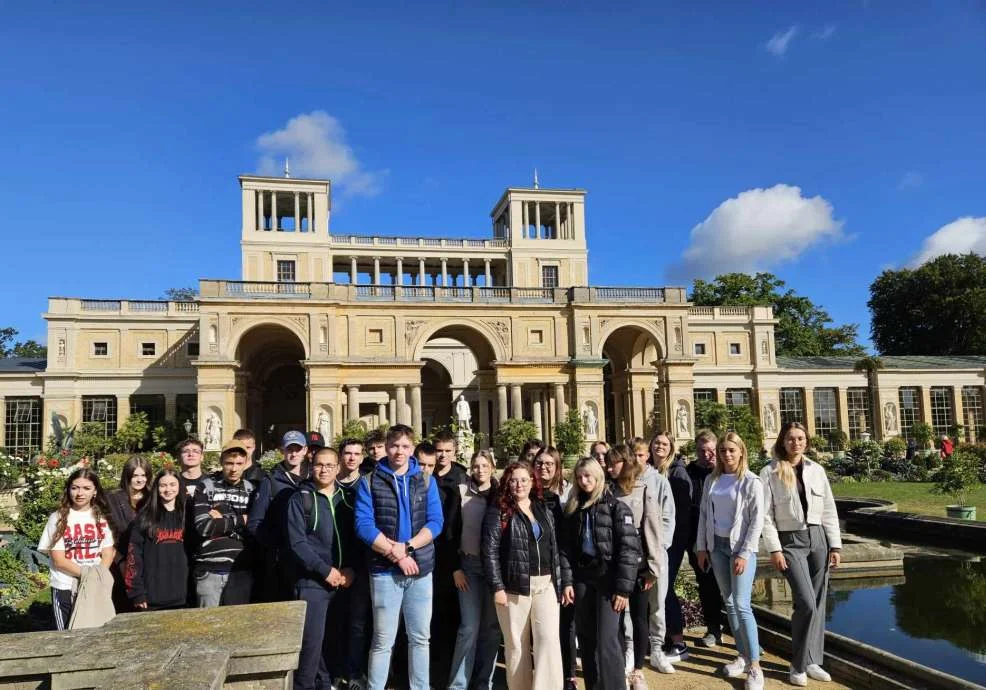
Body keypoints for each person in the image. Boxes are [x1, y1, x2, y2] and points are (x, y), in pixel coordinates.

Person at [354, 424, 444, 690]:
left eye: (405, 446)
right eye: (394, 446)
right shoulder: (369, 480)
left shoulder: (426, 480)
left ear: (413, 448)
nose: (399, 451)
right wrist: (395, 552)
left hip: (420, 569)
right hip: (384, 571)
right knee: (383, 640)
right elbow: (363, 524)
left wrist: (408, 547)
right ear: (386, 447)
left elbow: (436, 521)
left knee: (420, 638)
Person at [761, 422, 841, 687]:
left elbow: (828, 508)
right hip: (790, 541)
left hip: (818, 538)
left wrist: (836, 545)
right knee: (805, 602)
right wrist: (774, 548)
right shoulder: (770, 472)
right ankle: (797, 664)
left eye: (800, 438)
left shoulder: (816, 470)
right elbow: (765, 516)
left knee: (818, 602)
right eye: (791, 439)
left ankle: (812, 660)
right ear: (782, 442)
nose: (796, 443)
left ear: (806, 441)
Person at [482, 462, 571, 690]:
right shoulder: (499, 510)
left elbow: (555, 546)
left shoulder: (543, 507)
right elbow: (489, 550)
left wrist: (564, 580)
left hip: (546, 584)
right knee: (516, 646)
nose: (519, 484)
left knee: (548, 641)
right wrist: (497, 587)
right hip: (514, 586)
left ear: (533, 482)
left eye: (524, 479)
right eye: (513, 480)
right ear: (506, 483)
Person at [563, 457, 642, 690]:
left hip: (608, 580)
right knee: (587, 640)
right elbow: (566, 549)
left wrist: (623, 589)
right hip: (583, 577)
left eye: (587, 476)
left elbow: (629, 550)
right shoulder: (574, 509)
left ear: (598, 476)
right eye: (579, 477)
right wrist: (568, 580)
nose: (583, 480)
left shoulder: (616, 507)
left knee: (608, 640)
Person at [696, 432, 766, 690]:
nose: (726, 454)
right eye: (723, 450)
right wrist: (701, 547)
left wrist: (745, 553)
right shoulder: (712, 480)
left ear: (741, 452)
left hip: (739, 549)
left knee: (742, 604)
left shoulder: (751, 481)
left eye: (731, 450)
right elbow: (704, 514)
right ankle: (743, 656)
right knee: (729, 602)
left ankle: (756, 666)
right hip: (717, 547)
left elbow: (757, 520)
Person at [286, 446, 360, 690]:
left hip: (343, 580)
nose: (324, 470)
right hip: (312, 581)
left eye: (329, 465)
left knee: (335, 639)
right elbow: (297, 543)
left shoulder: (348, 499)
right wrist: (324, 570)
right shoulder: (300, 498)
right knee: (311, 644)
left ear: (338, 468)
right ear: (311, 466)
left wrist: (350, 569)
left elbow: (354, 538)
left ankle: (327, 683)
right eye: (319, 464)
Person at [608, 445, 663, 689]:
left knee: (639, 616)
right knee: (616, 617)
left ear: (626, 463)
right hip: (614, 563)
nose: (609, 468)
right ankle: (619, 664)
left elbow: (653, 527)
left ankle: (639, 670)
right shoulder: (607, 490)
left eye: (614, 463)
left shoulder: (643, 488)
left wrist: (653, 567)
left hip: (639, 563)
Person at [447, 450, 500, 690]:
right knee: (469, 627)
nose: (480, 470)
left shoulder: (502, 494)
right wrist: (455, 568)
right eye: (476, 466)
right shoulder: (462, 492)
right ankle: (458, 684)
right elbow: (450, 532)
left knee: (490, 629)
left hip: (494, 569)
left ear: (492, 466)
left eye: (484, 465)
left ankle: (483, 683)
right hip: (467, 566)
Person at [37, 468, 115, 630]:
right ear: (68, 490)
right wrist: (88, 574)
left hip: (93, 585)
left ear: (95, 492)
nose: (80, 493)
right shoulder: (57, 518)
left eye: (86, 488)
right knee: (66, 635)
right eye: (75, 488)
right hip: (65, 585)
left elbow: (108, 552)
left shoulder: (100, 518)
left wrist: (96, 576)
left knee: (95, 631)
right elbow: (59, 560)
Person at [247, 430, 311, 601]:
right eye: (289, 449)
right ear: (282, 450)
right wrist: (277, 546)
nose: (293, 453)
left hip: (312, 557)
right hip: (282, 561)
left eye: (297, 449)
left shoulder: (313, 480)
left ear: (305, 450)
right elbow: (254, 523)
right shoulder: (270, 481)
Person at [629, 437, 675, 673]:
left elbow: (668, 519)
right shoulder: (623, 481)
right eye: (633, 455)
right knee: (629, 607)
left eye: (640, 455)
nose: (636, 459)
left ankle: (657, 649)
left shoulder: (659, 482)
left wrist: (658, 550)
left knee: (657, 604)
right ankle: (630, 650)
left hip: (656, 554)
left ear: (647, 456)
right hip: (630, 558)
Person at [192, 439, 256, 607]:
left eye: (238, 463)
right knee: (207, 628)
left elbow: (254, 528)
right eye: (229, 463)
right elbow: (203, 527)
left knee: (237, 628)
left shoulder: (252, 489)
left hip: (241, 569)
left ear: (246, 463)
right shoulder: (206, 486)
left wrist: (222, 518)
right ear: (221, 462)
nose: (234, 469)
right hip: (209, 569)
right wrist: (241, 519)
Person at [534, 446, 576, 690]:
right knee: (541, 627)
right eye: (540, 463)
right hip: (538, 566)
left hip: (564, 564)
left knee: (566, 623)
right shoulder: (529, 492)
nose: (544, 467)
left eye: (550, 463)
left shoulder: (567, 491)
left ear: (557, 466)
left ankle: (568, 675)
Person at [650, 431, 692, 663]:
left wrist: (670, 544)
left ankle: (678, 642)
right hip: (654, 541)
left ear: (671, 447)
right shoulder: (649, 470)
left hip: (671, 542)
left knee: (665, 590)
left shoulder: (677, 473)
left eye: (664, 443)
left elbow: (681, 514)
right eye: (656, 442)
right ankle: (665, 638)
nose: (659, 446)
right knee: (658, 589)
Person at [429, 431, 466, 688]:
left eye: (447, 451)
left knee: (451, 613)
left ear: (455, 451)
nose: (443, 455)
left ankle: (447, 671)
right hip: (426, 549)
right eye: (439, 450)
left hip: (451, 551)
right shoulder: (425, 473)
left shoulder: (461, 477)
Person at [125, 467, 189, 610]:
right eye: (163, 485)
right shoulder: (145, 518)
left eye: (172, 484)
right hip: (152, 597)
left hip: (184, 596)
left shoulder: (187, 516)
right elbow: (134, 558)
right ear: (156, 488)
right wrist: (136, 592)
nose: (168, 489)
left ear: (179, 487)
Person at [336, 437, 372, 689]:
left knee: (359, 623)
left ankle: (356, 672)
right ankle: (335, 670)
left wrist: (356, 567)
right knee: (334, 622)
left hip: (361, 565)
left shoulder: (368, 484)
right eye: (347, 453)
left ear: (362, 457)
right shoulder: (329, 483)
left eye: (356, 454)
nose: (351, 457)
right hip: (331, 565)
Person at [687, 430, 726, 648]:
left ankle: (738, 631)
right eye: (702, 451)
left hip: (722, 537)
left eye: (711, 450)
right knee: (706, 583)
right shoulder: (688, 472)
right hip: (697, 537)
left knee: (730, 586)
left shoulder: (724, 473)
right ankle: (713, 629)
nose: (707, 454)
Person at [106, 454, 152, 612]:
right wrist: (120, 561)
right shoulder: (113, 498)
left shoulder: (153, 498)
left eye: (143, 475)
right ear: (127, 476)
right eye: (135, 475)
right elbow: (109, 533)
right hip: (120, 562)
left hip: (147, 562)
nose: (139, 480)